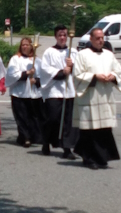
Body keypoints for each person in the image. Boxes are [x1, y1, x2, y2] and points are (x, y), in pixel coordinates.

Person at [72, 28, 121, 170]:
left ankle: (102, 158)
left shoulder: (109, 54)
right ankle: (89, 159)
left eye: (102, 38)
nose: (101, 40)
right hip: (90, 97)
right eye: (98, 38)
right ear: (91, 39)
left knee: (104, 130)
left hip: (105, 96)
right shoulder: (82, 55)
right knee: (89, 131)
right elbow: (77, 74)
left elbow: (118, 70)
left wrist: (113, 76)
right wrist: (95, 77)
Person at [40, 25, 79, 159]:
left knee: (68, 121)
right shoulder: (49, 52)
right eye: (60, 35)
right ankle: (46, 142)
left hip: (69, 91)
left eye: (64, 35)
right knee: (53, 119)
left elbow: (80, 69)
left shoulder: (73, 52)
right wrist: (62, 72)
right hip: (54, 91)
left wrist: (72, 66)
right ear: (55, 37)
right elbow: (45, 70)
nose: (62, 38)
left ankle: (67, 148)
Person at [5, 37, 46, 147]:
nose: (25, 46)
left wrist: (36, 80)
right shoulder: (15, 59)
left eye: (27, 44)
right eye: (23, 44)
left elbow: (44, 77)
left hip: (33, 93)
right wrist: (27, 73)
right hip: (19, 93)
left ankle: (32, 136)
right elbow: (11, 75)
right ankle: (25, 137)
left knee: (33, 117)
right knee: (21, 117)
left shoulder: (37, 60)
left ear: (31, 46)